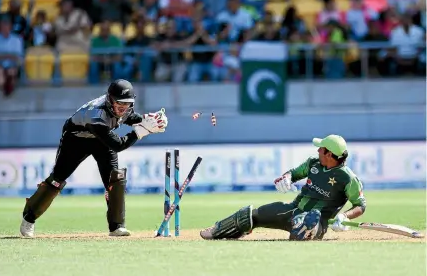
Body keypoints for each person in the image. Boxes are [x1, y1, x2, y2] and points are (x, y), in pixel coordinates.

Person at [20, 79, 168, 238]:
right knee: (57, 180)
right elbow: (118, 145)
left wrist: (149, 119)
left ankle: (116, 226)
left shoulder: (124, 108)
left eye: (127, 104)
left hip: (101, 141)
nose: (122, 109)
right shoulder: (95, 115)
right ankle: (29, 219)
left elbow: (130, 117)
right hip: (76, 140)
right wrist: (141, 131)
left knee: (115, 179)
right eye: (119, 104)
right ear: (109, 100)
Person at [200, 134, 367, 241]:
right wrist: (286, 178)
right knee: (249, 215)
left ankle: (306, 230)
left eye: (321, 149)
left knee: (304, 226)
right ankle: (219, 230)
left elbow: (360, 205)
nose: (318, 150)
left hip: (317, 221)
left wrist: (345, 216)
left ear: (330, 154)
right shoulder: (313, 163)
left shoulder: (348, 178)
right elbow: (293, 173)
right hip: (292, 209)